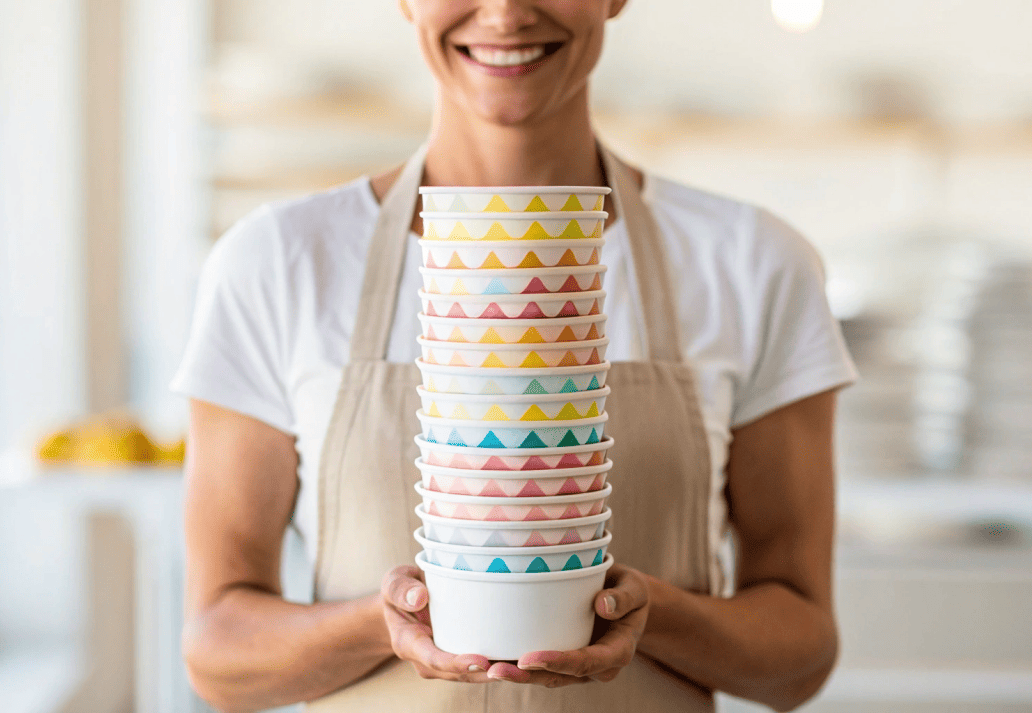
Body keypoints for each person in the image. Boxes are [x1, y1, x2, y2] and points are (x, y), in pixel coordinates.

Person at [171, 0, 858, 711]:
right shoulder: (276, 263)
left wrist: (646, 612)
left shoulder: (754, 264)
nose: (503, 14)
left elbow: (799, 656)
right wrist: (386, 623)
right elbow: (219, 654)